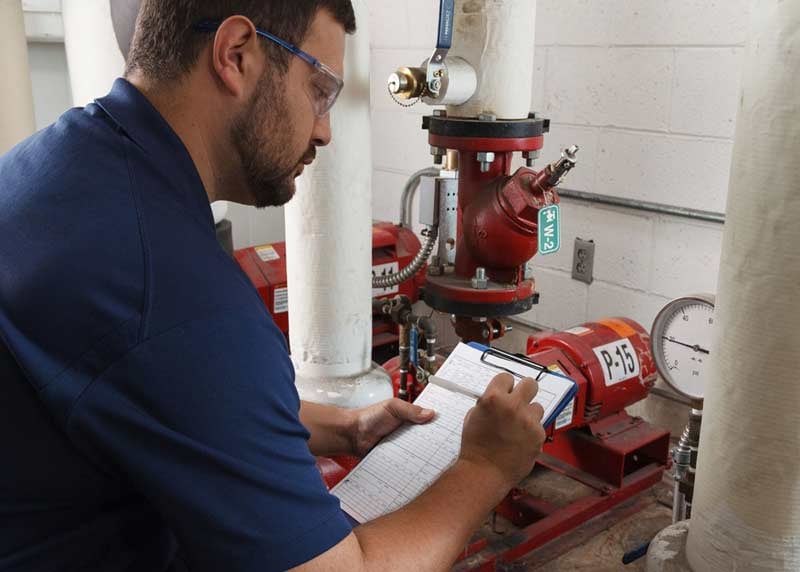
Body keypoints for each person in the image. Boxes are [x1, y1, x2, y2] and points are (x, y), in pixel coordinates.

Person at [0, 1, 546, 570]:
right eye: (320, 90)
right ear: (236, 55)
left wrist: (345, 427)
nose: (326, 130)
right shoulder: (181, 300)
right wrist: (485, 467)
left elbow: (161, 402)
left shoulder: (56, 163)